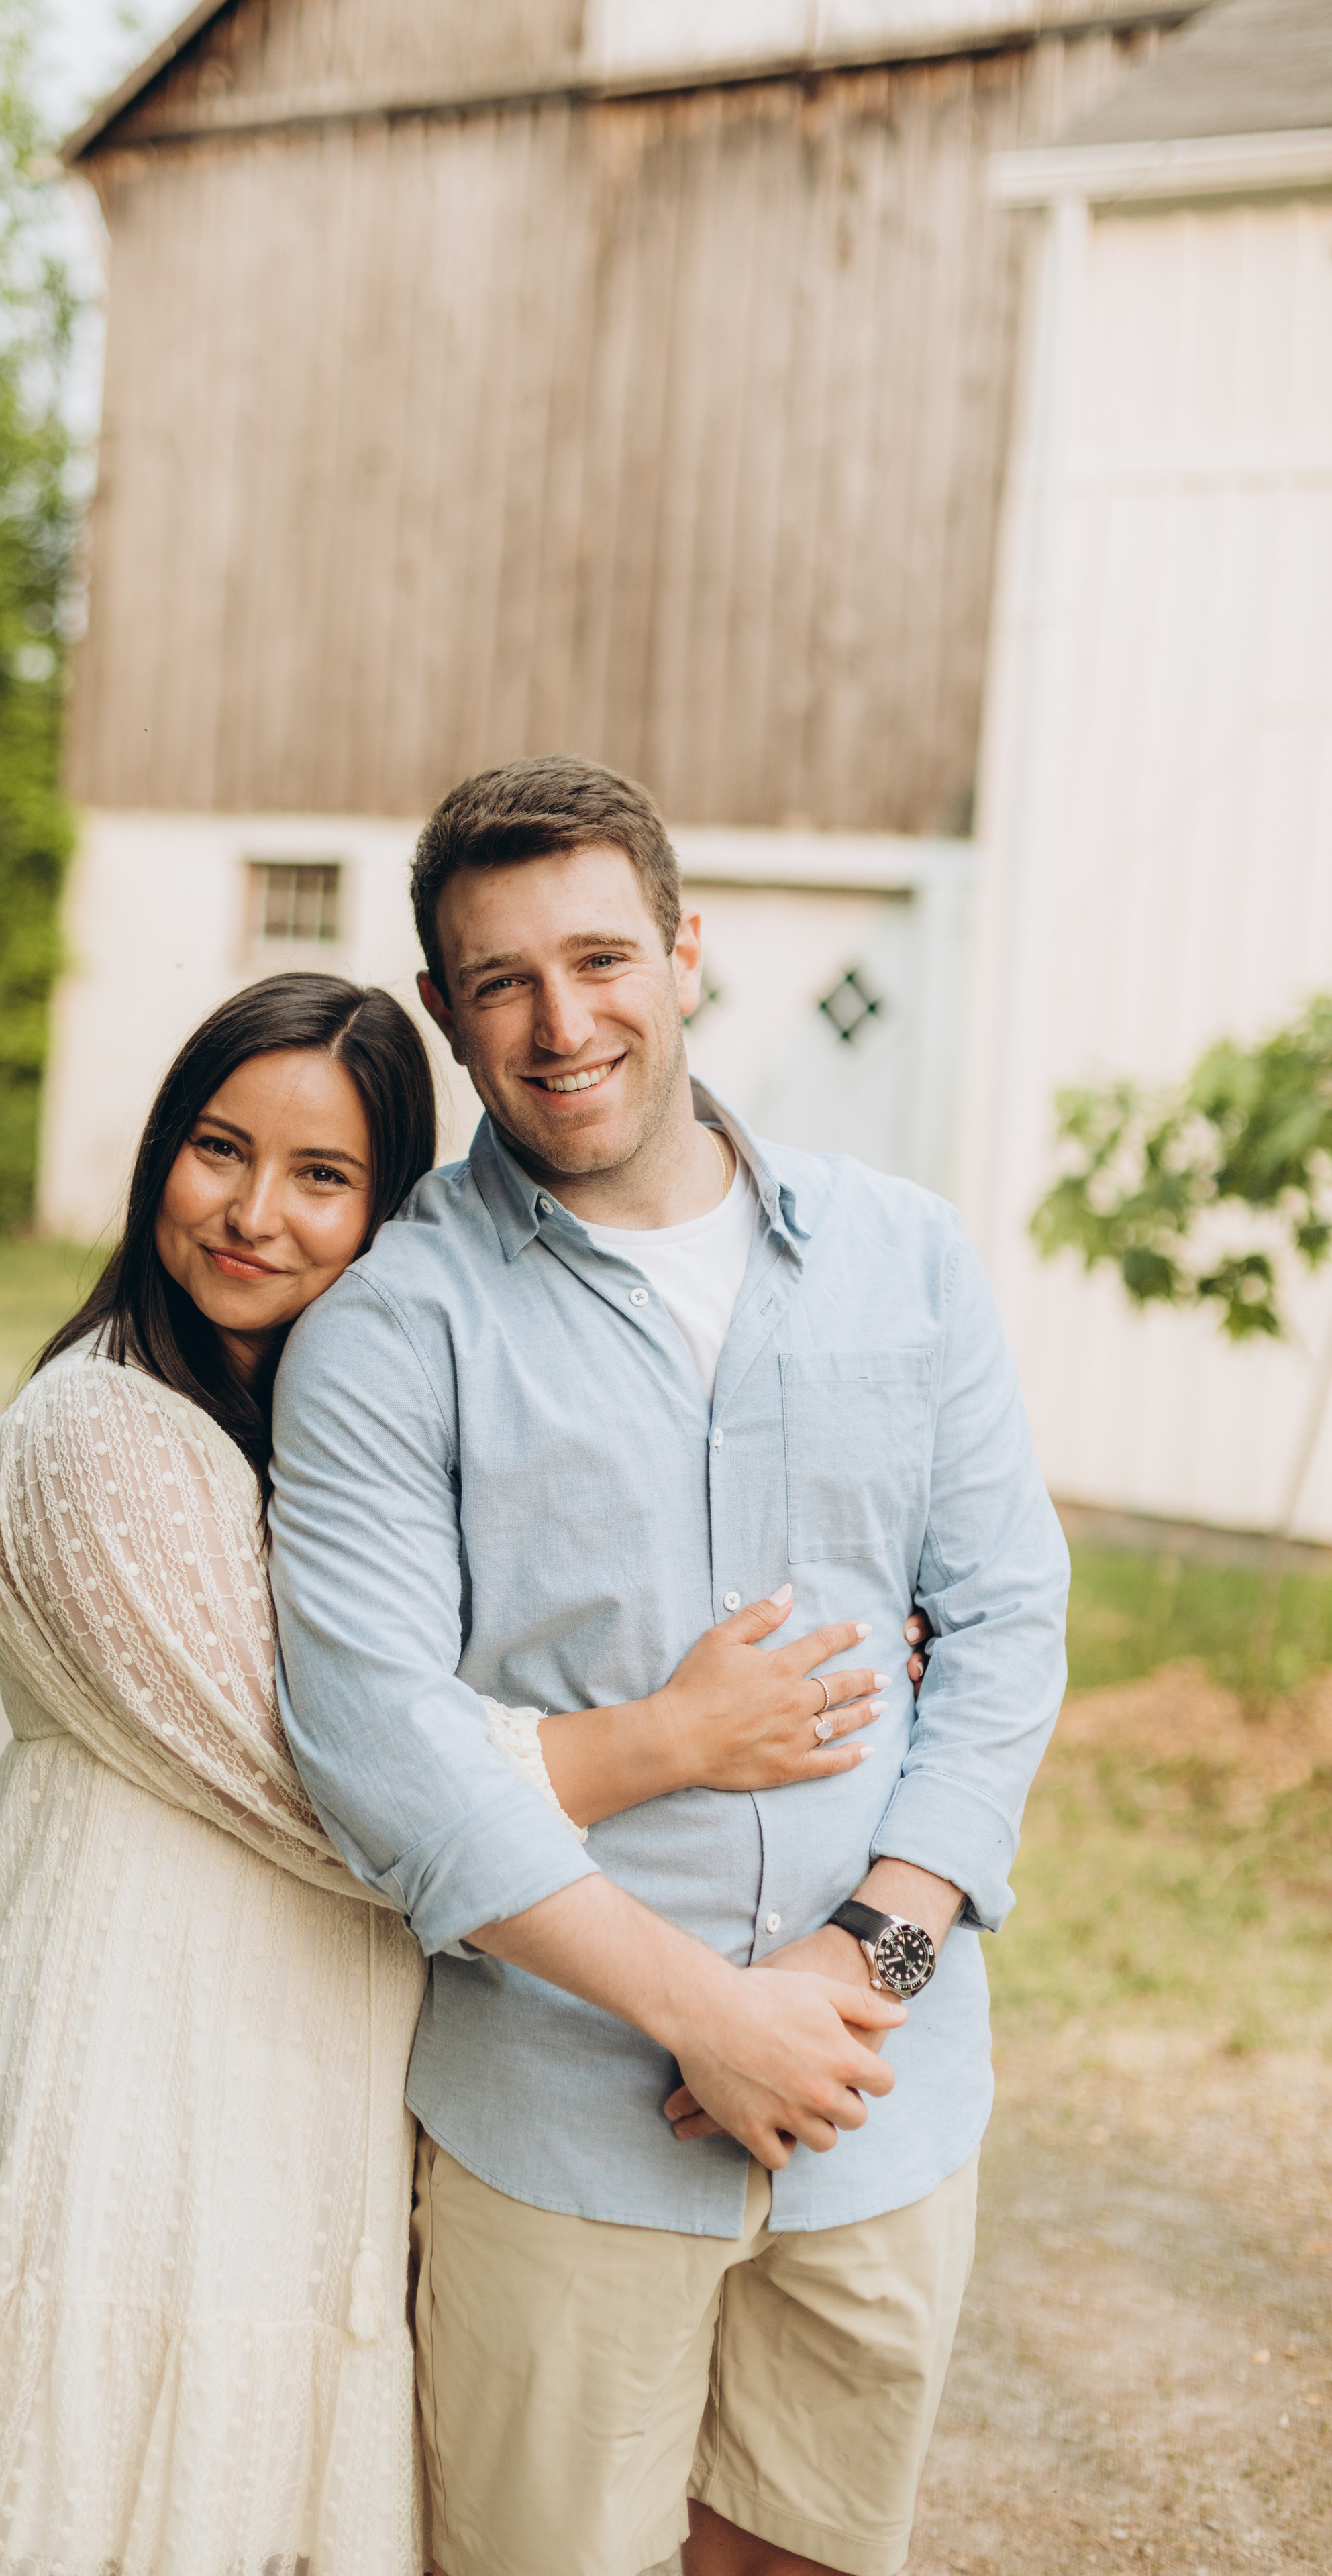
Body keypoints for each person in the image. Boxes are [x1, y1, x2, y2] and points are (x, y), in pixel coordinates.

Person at [0, 971, 913, 2576]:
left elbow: (493, 1650)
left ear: (383, 1208)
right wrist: (674, 1737)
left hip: (314, 2049)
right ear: (158, 1152)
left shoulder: (320, 1427)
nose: (252, 1213)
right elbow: (337, 1783)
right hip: (130, 2042)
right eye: (219, 1149)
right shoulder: (101, 1435)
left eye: (322, 1175)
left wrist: (842, 1645)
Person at [268, 756, 1072, 2576]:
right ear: (442, 1011)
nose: (563, 1025)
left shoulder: (904, 1255)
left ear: (686, 950)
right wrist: (706, 2012)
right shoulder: (391, 1329)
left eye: (601, 959)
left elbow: (1007, 1619)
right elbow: (383, 1743)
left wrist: (864, 1956)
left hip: (880, 2097)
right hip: (564, 2127)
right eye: (503, 982)